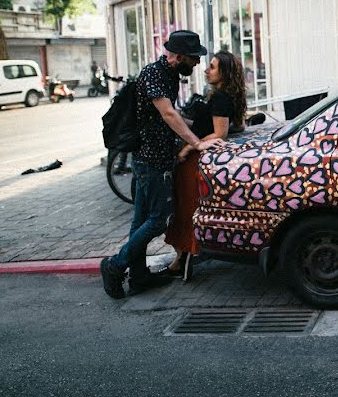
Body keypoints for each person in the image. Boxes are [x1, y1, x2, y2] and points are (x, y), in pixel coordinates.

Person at [100, 30, 224, 299]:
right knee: (158, 220)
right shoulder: (154, 74)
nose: (197, 63)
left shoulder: (169, 75)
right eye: (193, 58)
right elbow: (167, 113)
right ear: (178, 56)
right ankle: (115, 265)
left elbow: (172, 114)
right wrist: (197, 142)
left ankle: (139, 277)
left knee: (141, 220)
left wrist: (199, 129)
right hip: (151, 161)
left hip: (155, 158)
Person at [163, 51, 247, 282]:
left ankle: (183, 260)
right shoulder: (220, 95)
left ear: (225, 73)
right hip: (194, 157)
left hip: (194, 161)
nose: (206, 70)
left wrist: (189, 148)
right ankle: (180, 259)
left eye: (212, 67)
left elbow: (220, 133)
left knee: (186, 208)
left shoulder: (221, 98)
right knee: (183, 208)